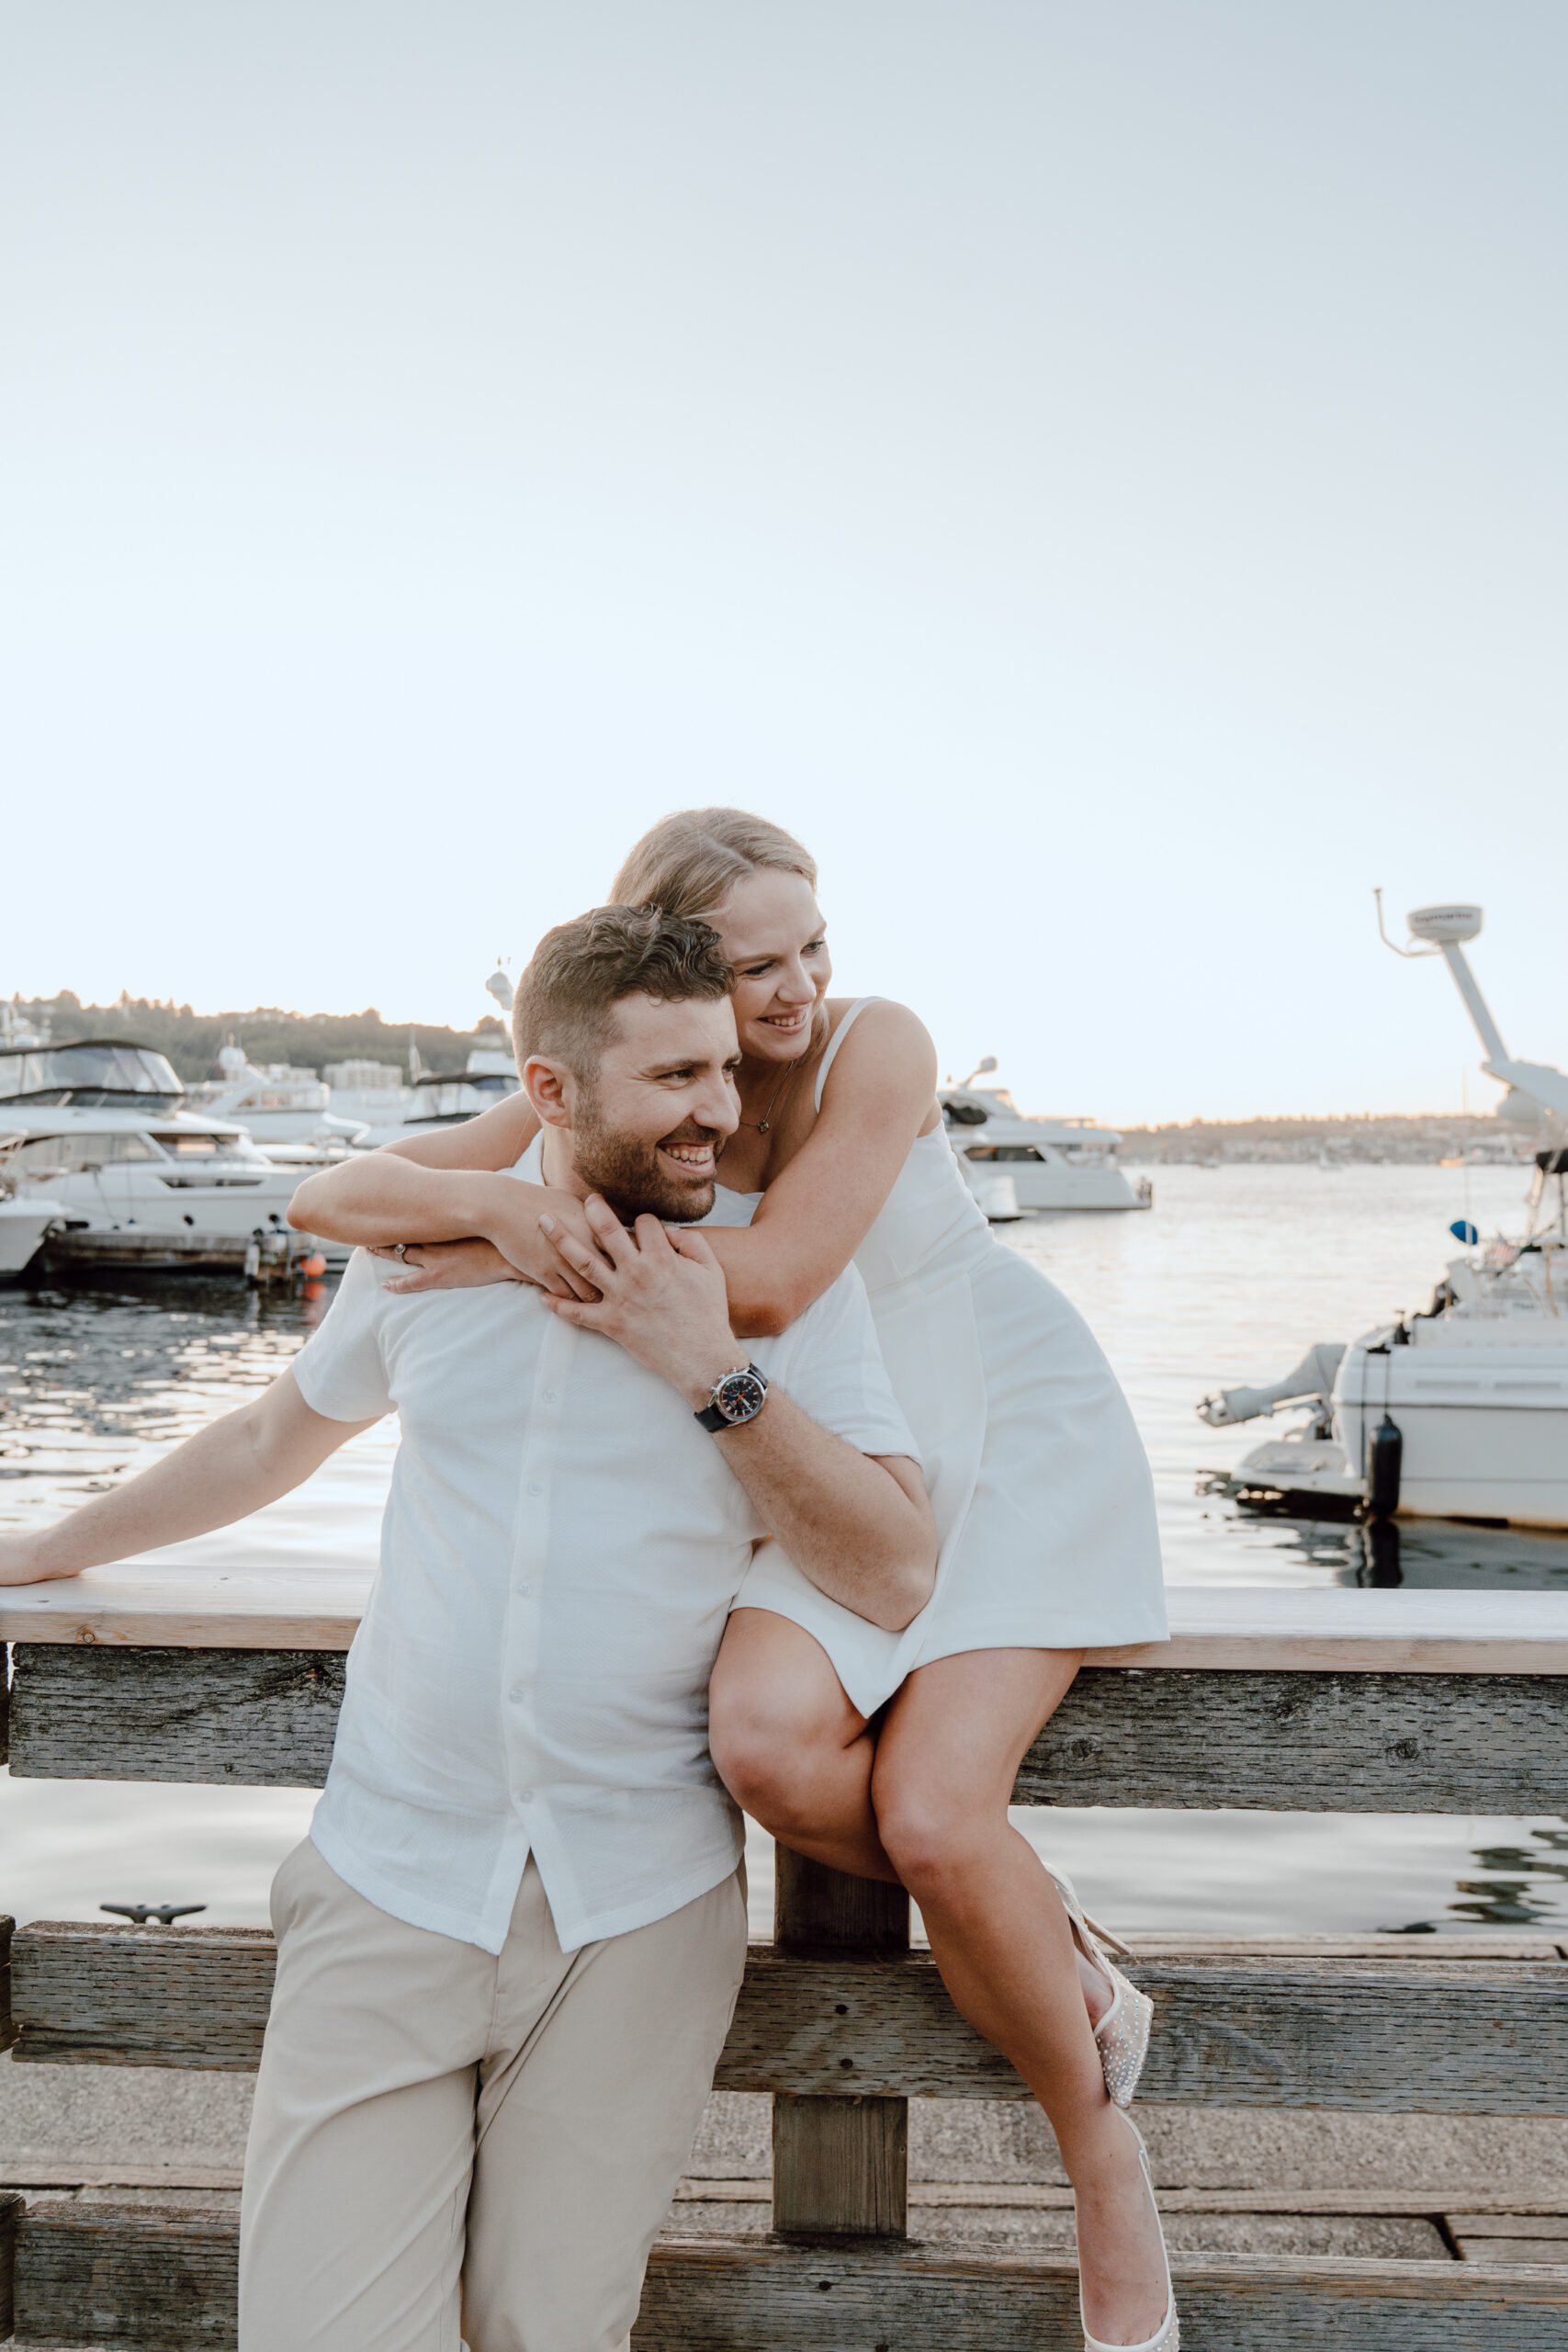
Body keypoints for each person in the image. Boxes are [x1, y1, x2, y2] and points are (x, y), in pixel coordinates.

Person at [288, 811, 1177, 2352]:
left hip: (999, 1432)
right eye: (759, 962)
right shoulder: (654, 1067)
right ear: (685, 963)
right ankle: (1044, 1925)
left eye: (814, 948)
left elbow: (766, 1289)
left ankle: (1107, 2163)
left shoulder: (873, 1046)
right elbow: (333, 1200)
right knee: (759, 1743)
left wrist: (506, 1244)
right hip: (832, 1448)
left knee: (936, 1811)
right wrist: (500, 1197)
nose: (798, 992)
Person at [0, 905, 939, 2352]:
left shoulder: (780, 1296)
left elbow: (891, 1569)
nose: (722, 1111)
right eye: (676, 1079)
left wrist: (708, 1369)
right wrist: (50, 1548)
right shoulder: (423, 1259)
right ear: (551, 1092)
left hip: (635, 1907)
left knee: (546, 2336)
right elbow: (265, 1443)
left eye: (725, 1071)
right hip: (389, 1878)